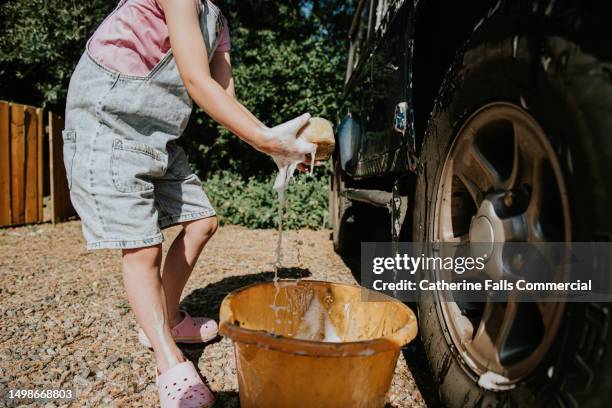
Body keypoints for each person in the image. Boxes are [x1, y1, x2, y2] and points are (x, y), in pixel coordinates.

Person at [63, 0, 315, 406]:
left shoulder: (218, 20)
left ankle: (160, 321)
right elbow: (197, 83)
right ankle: (168, 361)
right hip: (109, 121)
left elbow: (223, 96)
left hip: (156, 133)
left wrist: (277, 146)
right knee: (143, 245)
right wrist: (267, 140)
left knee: (202, 222)